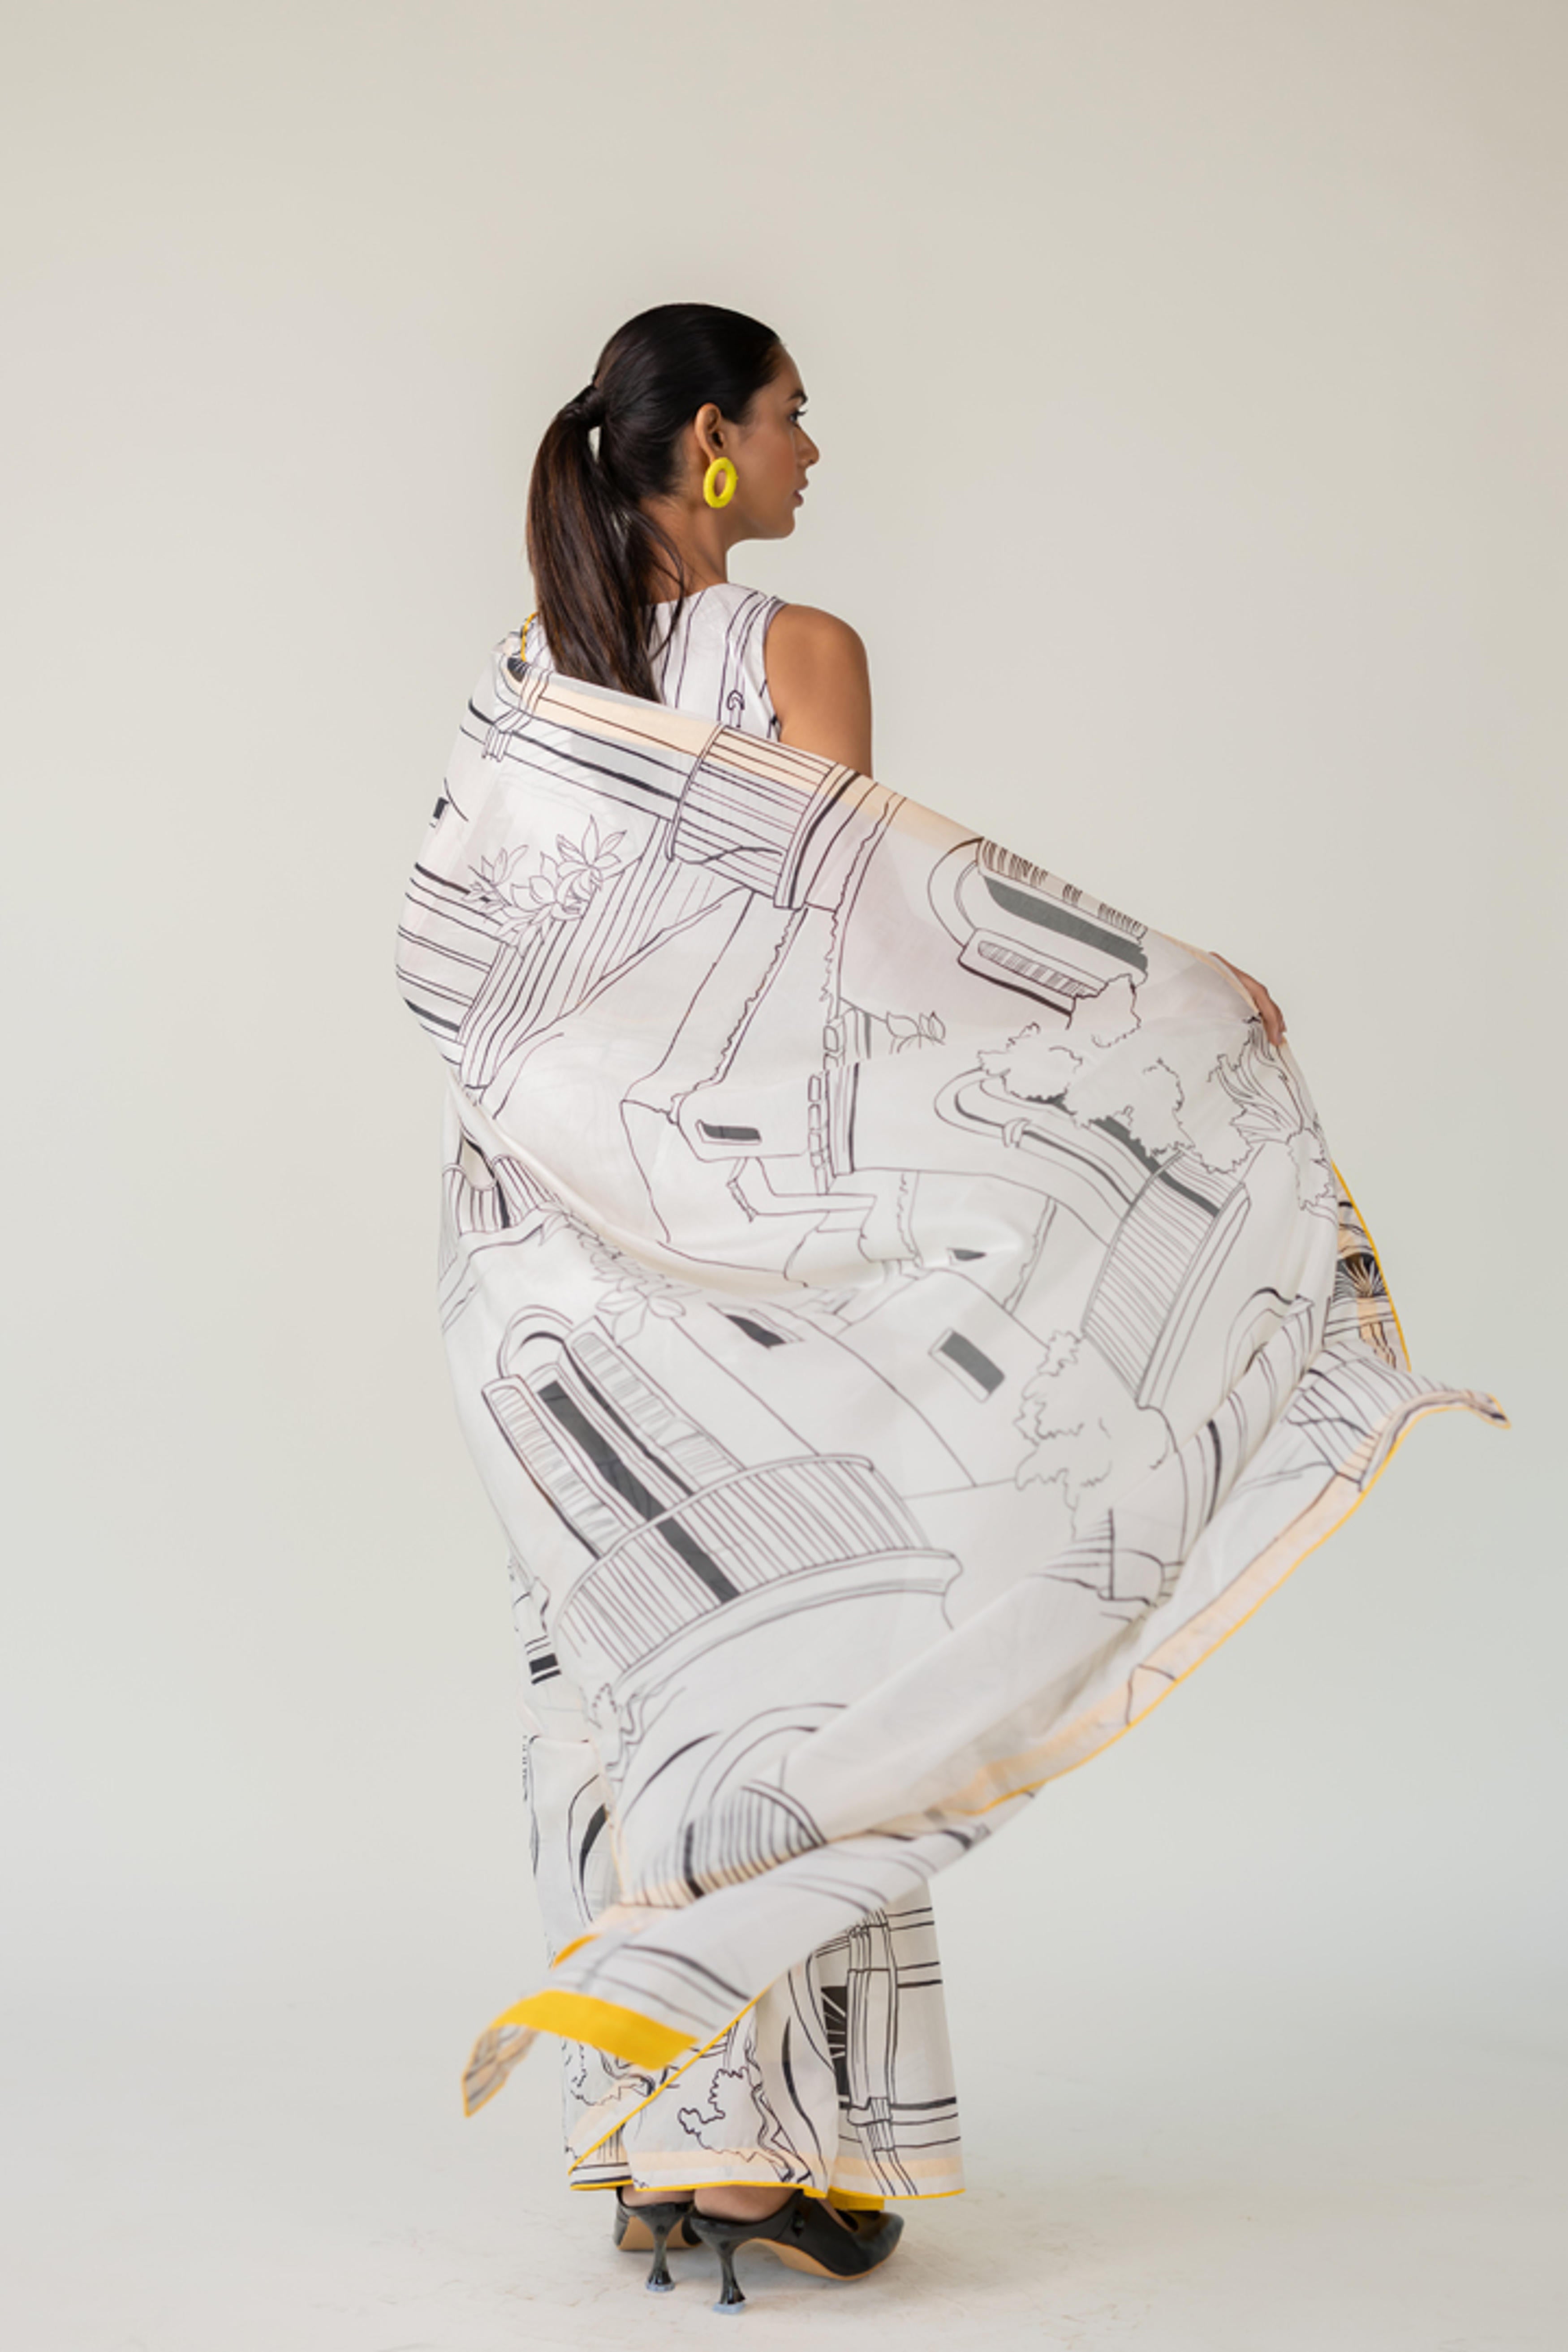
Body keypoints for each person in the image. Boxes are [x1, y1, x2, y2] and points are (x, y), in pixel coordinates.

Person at [395, 303, 1504, 2311]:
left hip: (533, 1252)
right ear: (710, 439)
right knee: (815, 1671)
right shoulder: (792, 650)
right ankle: (772, 2157)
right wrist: (1171, 994)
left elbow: (457, 981)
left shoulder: (520, 685)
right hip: (734, 1249)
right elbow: (872, 959)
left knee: (629, 1675)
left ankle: (661, 2146)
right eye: (792, 417)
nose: (814, 451)